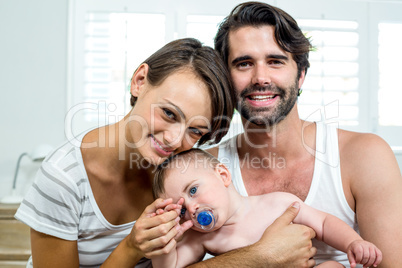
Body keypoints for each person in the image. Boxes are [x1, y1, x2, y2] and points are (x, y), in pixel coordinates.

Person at [202, 1, 402, 267]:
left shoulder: (364, 156)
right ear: (225, 79)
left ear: (301, 76)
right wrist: (260, 258)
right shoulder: (203, 170)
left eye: (275, 61)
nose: (260, 78)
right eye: (244, 63)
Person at [14, 38, 239, 268]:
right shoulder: (63, 178)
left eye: (194, 130)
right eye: (169, 114)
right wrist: (131, 248)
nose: (173, 140)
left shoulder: (184, 177)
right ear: (139, 81)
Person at [151, 148, 382, 268]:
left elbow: (322, 223)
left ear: (222, 175)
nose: (191, 208)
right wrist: (164, 244)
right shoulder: (200, 238)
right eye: (181, 211)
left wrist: (353, 242)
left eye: (193, 191)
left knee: (331, 266)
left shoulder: (276, 204)